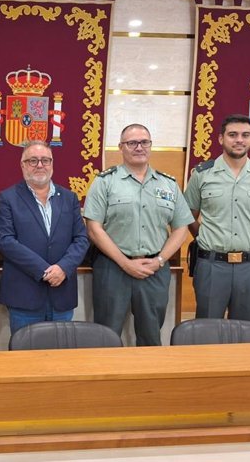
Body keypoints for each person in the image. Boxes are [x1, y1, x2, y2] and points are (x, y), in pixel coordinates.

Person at [84, 124, 193, 346]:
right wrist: (125, 263)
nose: (138, 147)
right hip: (112, 268)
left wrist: (160, 260)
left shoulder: (169, 184)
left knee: (151, 335)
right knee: (106, 334)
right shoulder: (105, 182)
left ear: (151, 146)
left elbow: (181, 228)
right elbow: (94, 228)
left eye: (144, 142)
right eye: (132, 143)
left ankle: (148, 381)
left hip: (154, 269)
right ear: (121, 147)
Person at [184, 114, 250, 322]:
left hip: (249, 267)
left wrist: (245, 242)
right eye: (233, 135)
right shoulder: (202, 174)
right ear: (221, 139)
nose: (239, 140)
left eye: (245, 135)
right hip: (211, 265)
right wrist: (205, 237)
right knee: (208, 329)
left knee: (248, 330)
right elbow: (189, 215)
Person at [0, 140, 89, 334]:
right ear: (22, 165)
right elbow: (6, 241)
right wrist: (44, 270)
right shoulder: (8, 198)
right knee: (25, 357)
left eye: (45, 160)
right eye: (33, 161)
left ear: (52, 164)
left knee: (59, 357)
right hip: (24, 295)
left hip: (62, 293)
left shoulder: (69, 198)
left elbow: (81, 239)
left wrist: (63, 268)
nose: (40, 165)